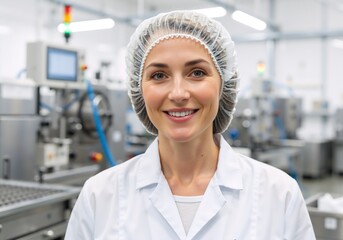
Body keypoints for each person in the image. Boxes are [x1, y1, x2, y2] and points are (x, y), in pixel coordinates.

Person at [65, 10, 315, 240]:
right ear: (138, 89)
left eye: (196, 73)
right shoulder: (100, 196)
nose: (178, 93)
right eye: (159, 75)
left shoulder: (279, 195)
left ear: (224, 85)